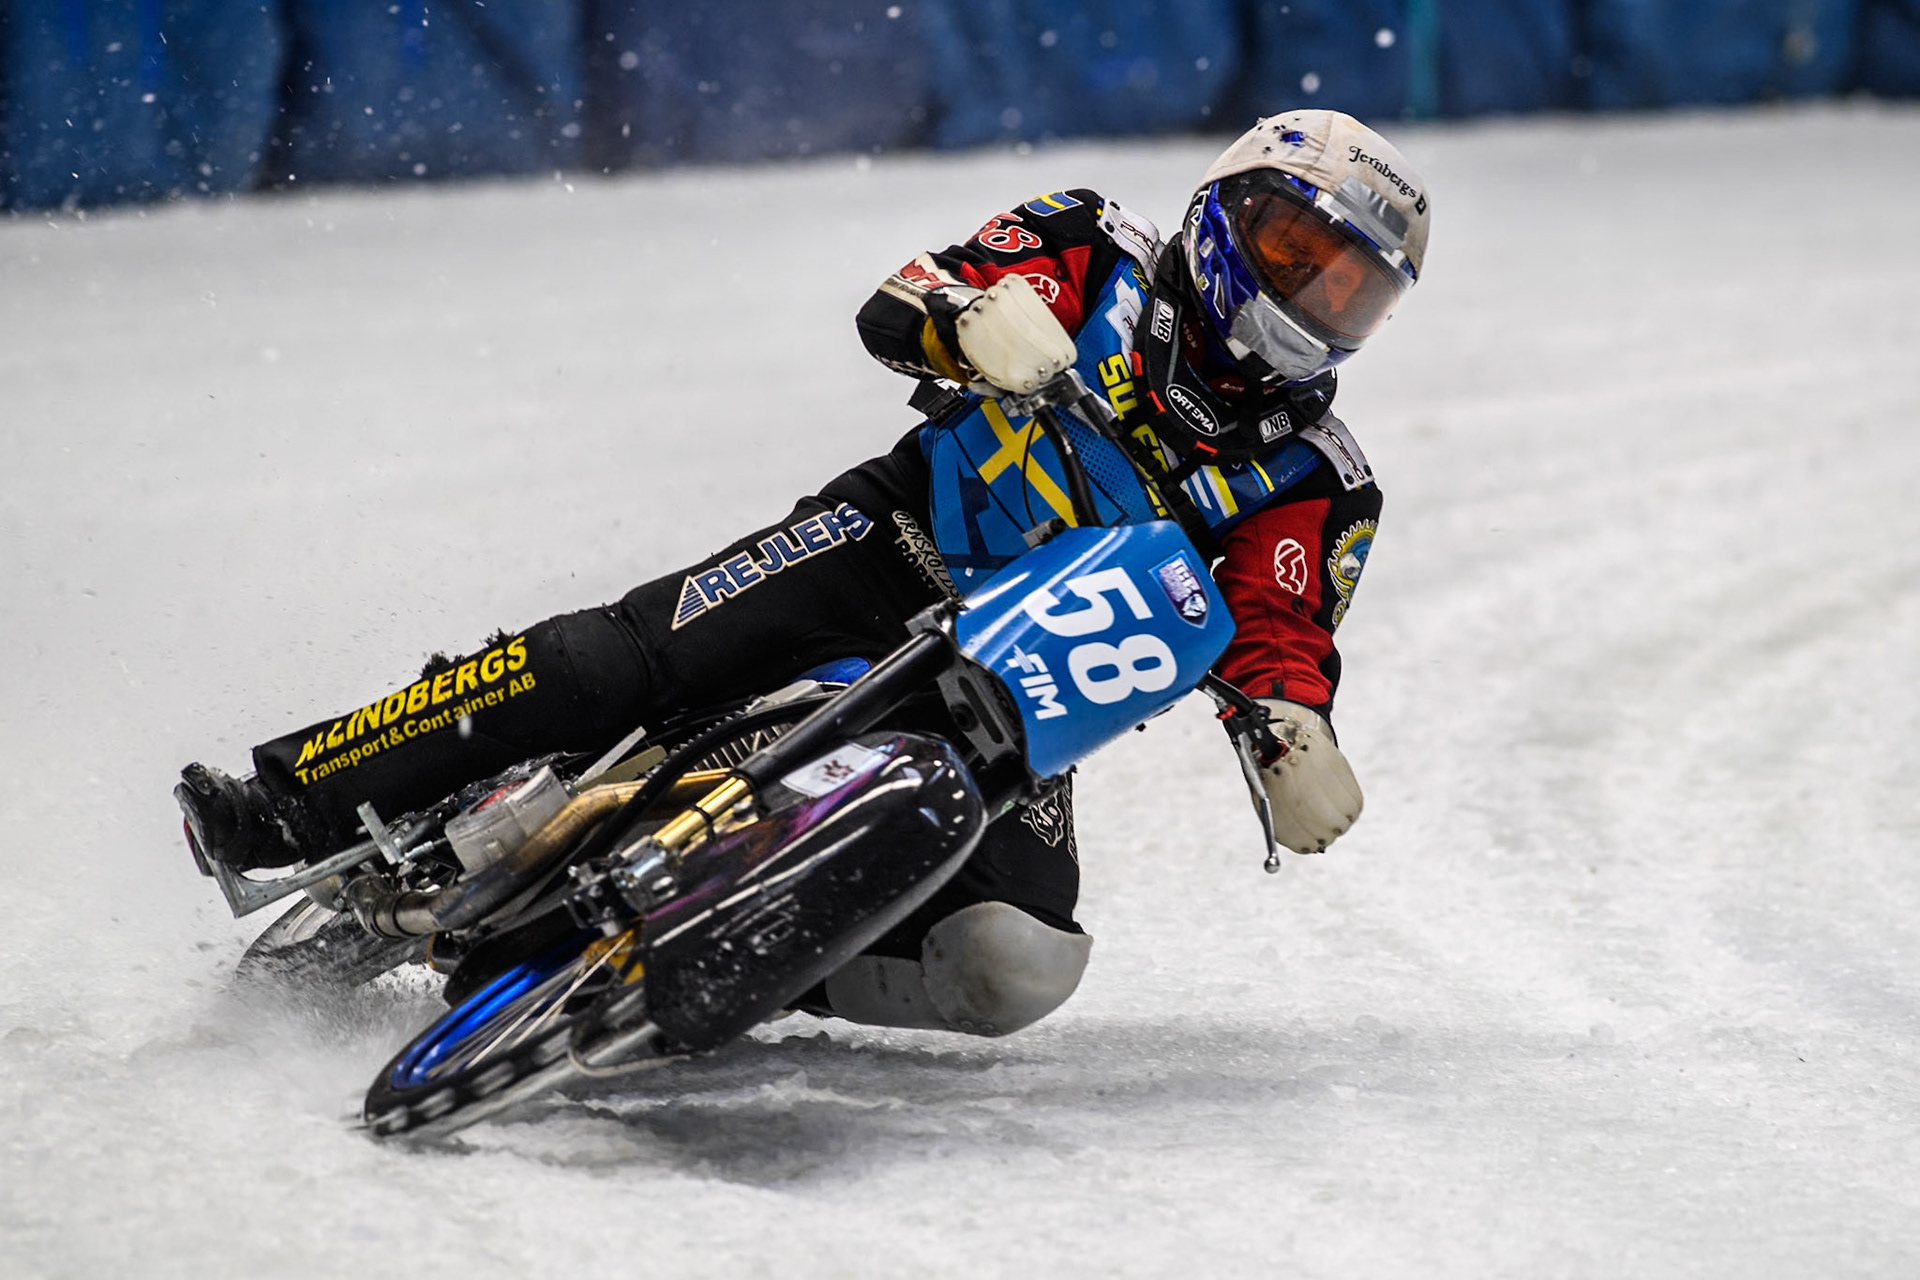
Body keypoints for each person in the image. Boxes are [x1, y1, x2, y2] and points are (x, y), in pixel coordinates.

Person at [177, 109, 1430, 1038]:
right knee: (609, 660)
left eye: (1350, 287)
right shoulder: (1093, 241)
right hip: (886, 546)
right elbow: (909, 295)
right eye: (1293, 245)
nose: (1310, 292)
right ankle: (289, 802)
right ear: (1225, 208)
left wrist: (1293, 725)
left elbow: (1278, 628)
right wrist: (964, 319)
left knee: (1016, 958)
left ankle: (736, 961)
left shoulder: (1321, 476)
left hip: (1031, 693)